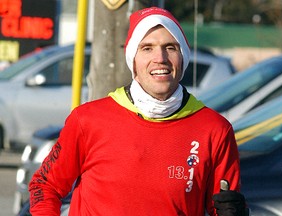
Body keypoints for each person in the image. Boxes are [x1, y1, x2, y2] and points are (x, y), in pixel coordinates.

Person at [29, 7, 247, 216]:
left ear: (183, 57)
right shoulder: (87, 120)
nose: (160, 58)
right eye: (147, 48)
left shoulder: (215, 129)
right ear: (133, 59)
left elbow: (223, 206)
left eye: (170, 47)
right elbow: (44, 185)